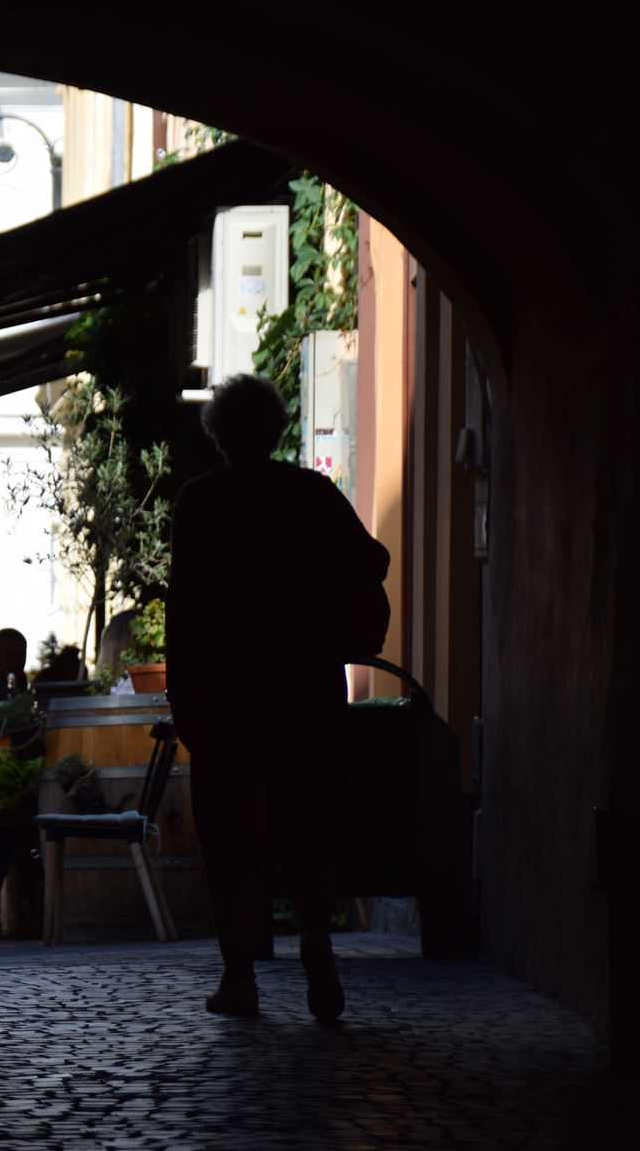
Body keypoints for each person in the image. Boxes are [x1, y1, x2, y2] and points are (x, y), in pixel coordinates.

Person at [166, 374, 390, 1021]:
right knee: (308, 818)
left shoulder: (201, 501)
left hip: (227, 693)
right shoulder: (310, 492)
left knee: (230, 831)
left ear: (218, 435)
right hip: (305, 684)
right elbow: (373, 560)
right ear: (276, 429)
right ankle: (315, 935)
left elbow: (186, 606)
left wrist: (183, 694)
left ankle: (239, 977)